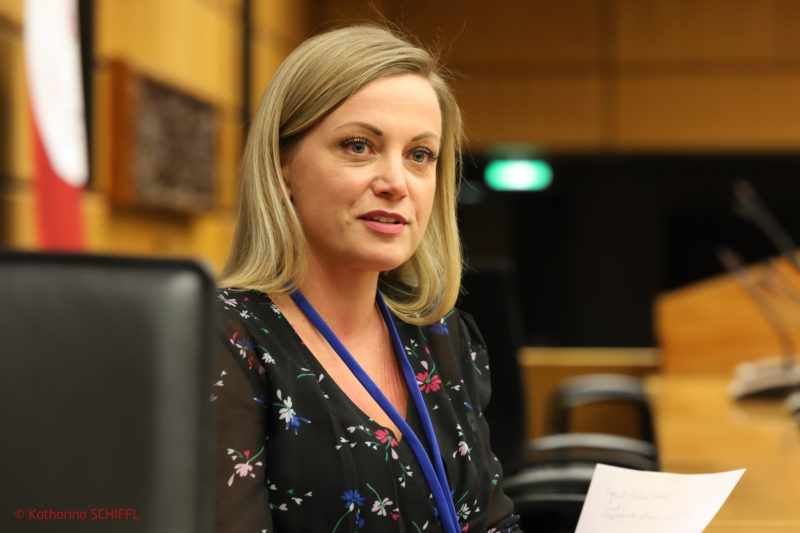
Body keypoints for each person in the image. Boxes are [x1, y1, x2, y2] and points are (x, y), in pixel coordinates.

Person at [213, 24, 522, 533]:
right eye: (359, 146)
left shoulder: (445, 338)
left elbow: (493, 523)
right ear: (283, 165)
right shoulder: (222, 342)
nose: (396, 183)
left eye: (419, 155)